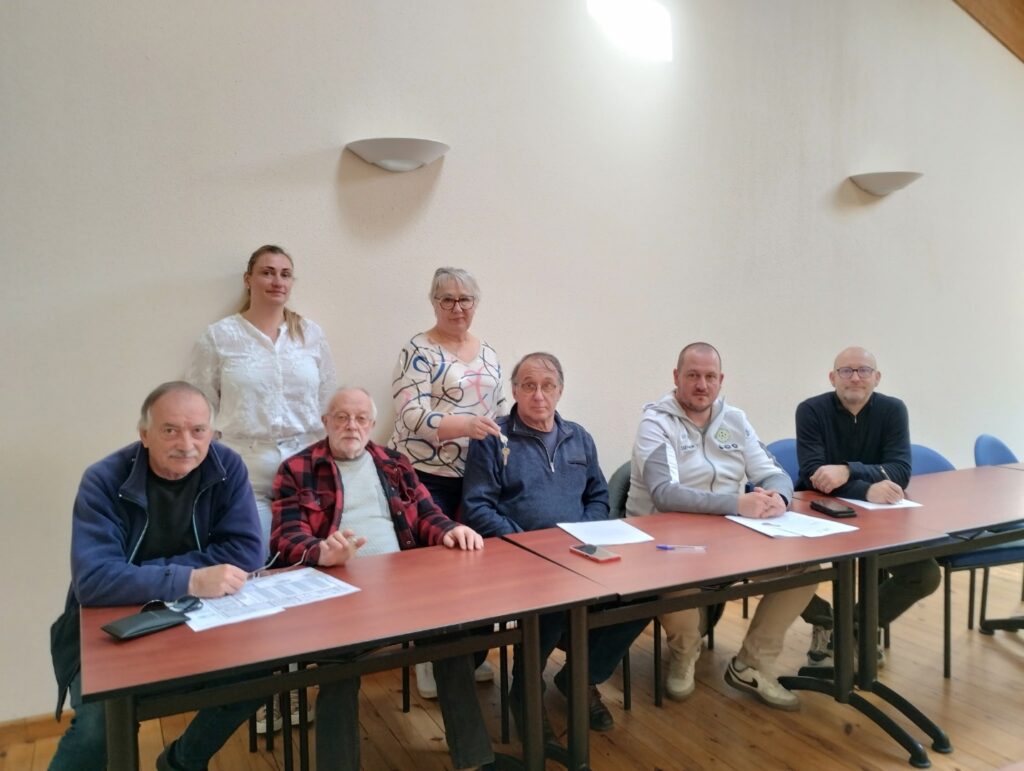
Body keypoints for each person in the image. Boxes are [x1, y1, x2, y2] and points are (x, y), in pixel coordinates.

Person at [270, 387, 496, 771]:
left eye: (360, 419)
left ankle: (475, 761)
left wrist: (449, 530)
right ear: (325, 422)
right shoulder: (296, 468)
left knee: (451, 639)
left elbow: (426, 512)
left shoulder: (394, 463)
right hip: (336, 593)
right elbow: (284, 538)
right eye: (341, 417)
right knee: (338, 666)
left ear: (372, 425)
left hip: (402, 587)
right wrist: (322, 553)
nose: (351, 426)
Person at [48, 382, 265, 771]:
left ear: (211, 434)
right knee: (100, 728)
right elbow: (95, 581)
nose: (186, 443)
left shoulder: (226, 466)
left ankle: (182, 762)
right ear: (144, 434)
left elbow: (248, 553)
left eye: (198, 430)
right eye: (170, 430)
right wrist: (190, 579)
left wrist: (137, 574)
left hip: (201, 622)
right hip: (112, 630)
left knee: (261, 673)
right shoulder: (102, 480)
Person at [462, 353, 649, 735]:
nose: (538, 395)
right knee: (551, 593)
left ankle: (581, 677)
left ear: (560, 391)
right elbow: (476, 505)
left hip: (579, 548)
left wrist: (583, 533)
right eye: (528, 386)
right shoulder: (492, 438)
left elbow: (600, 496)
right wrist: (530, 543)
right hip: (521, 557)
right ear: (514, 390)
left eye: (547, 386)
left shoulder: (578, 436)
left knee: (646, 592)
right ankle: (526, 691)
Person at [626, 342, 818, 711]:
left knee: (807, 570)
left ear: (720, 380)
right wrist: (738, 504)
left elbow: (773, 472)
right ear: (676, 378)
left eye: (710, 376)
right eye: (693, 375)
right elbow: (665, 494)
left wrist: (778, 497)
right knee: (674, 583)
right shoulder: (655, 422)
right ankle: (684, 654)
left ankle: (752, 663)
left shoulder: (735, 420)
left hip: (730, 540)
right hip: (665, 544)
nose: (702, 385)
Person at [389, 266, 504, 695]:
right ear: (434, 303)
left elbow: (499, 407)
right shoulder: (417, 349)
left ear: (476, 303)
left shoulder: (489, 352)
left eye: (465, 299)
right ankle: (428, 661)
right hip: (423, 474)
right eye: (447, 300)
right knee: (432, 574)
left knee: (475, 568)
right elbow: (409, 413)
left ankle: (467, 656)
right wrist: (466, 426)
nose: (457, 307)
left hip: (477, 477)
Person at [186, 244, 337, 549]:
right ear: (248, 279)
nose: (277, 281)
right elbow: (200, 406)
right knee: (258, 557)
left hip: (307, 468)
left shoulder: (310, 334)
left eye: (285, 274)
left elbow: (327, 399)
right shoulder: (220, 336)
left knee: (312, 559)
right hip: (246, 468)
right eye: (267, 273)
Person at [795, 346, 938, 666]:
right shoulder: (811, 411)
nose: (855, 377)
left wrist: (847, 471)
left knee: (924, 573)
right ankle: (824, 618)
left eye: (863, 370)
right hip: (818, 514)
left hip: (879, 522)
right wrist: (868, 488)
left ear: (877, 377)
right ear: (833, 378)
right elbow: (813, 474)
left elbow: (901, 471)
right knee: (768, 565)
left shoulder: (893, 410)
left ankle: (855, 628)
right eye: (846, 371)